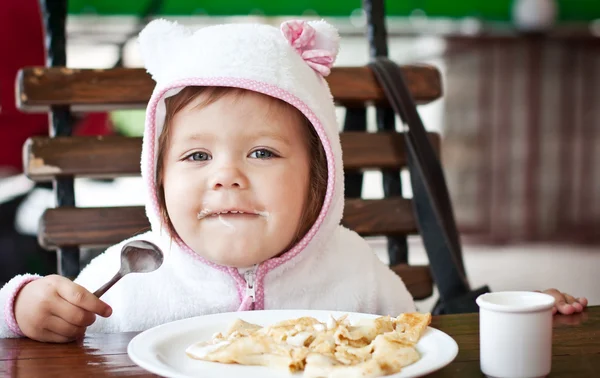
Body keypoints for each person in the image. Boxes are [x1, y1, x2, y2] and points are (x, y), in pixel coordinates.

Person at [0, 19, 587, 342]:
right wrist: (25, 306)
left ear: (319, 178)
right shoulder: (132, 272)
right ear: (157, 178)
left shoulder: (354, 269)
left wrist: (509, 316)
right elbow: (28, 328)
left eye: (260, 151)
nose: (226, 176)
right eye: (197, 157)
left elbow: (421, 340)